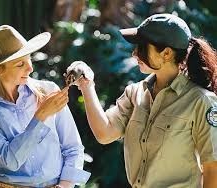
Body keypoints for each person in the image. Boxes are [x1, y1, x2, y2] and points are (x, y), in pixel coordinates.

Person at [65, 13, 217, 187]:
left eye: (142, 48)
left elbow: (213, 170)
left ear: (166, 53)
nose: (134, 53)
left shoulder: (202, 102)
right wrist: (87, 86)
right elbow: (105, 133)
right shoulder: (135, 93)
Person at [0, 25, 90, 188]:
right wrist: (41, 115)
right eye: (20, 64)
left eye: (29, 59)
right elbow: (10, 160)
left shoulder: (48, 90)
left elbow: (73, 147)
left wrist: (65, 185)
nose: (30, 68)